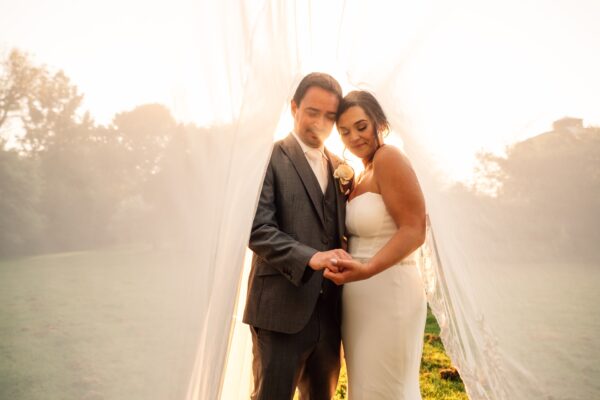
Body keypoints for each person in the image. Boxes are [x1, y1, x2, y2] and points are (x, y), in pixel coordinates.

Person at [243, 72, 352, 399]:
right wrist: (310, 257)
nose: (320, 122)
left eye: (330, 116)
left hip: (329, 318)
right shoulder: (268, 157)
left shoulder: (340, 166)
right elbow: (256, 228)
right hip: (279, 313)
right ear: (294, 108)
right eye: (312, 112)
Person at [324, 90, 428, 399]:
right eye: (344, 131)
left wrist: (367, 268)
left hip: (389, 289)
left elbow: (414, 229)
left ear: (378, 123)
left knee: (388, 387)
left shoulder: (389, 158)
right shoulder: (361, 172)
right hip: (360, 299)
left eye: (361, 126)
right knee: (366, 385)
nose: (353, 136)